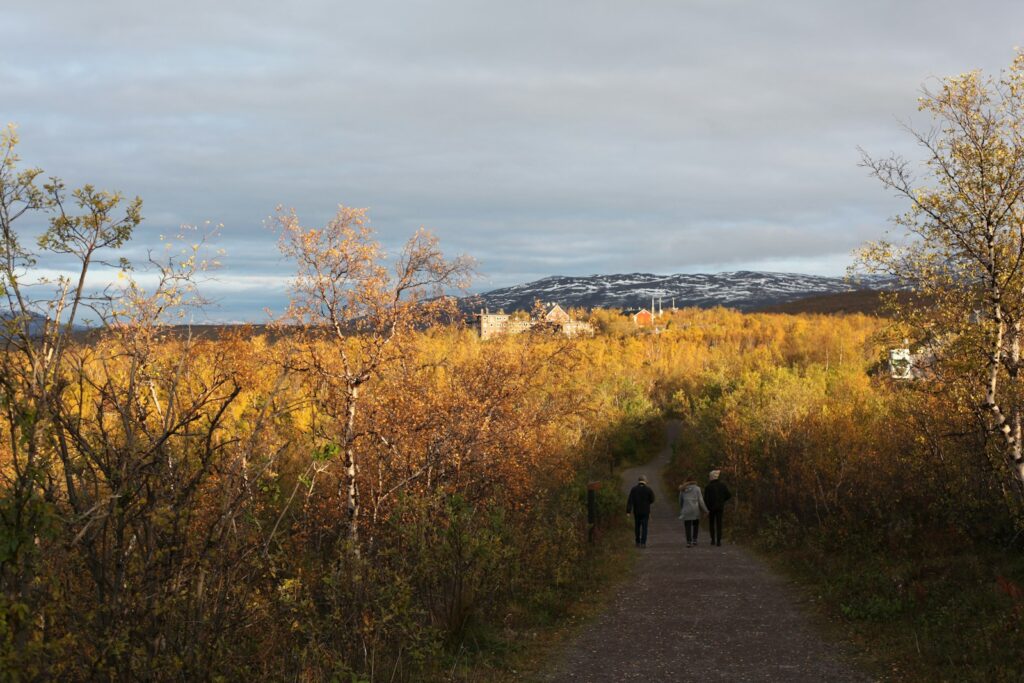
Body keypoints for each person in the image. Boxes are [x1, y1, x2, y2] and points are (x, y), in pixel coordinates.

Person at [703, 469, 732, 547]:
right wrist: (722, 500)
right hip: (720, 507)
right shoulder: (722, 485)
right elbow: (729, 495)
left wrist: (707, 507)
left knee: (711, 524)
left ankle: (713, 540)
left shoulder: (708, 487)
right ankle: (719, 541)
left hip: (711, 508)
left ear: (711, 477)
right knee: (719, 524)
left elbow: (705, 499)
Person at [626, 474, 655, 548]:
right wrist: (647, 503)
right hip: (645, 511)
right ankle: (643, 542)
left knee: (637, 527)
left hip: (637, 511)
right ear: (645, 480)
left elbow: (630, 500)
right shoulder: (648, 489)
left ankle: (637, 541)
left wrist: (628, 511)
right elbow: (652, 499)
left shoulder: (634, 489)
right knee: (644, 527)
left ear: (638, 481)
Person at [677, 480, 708, 547]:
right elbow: (700, 500)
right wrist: (706, 510)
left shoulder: (682, 488)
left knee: (687, 526)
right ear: (694, 481)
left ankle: (688, 542)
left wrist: (682, 508)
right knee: (695, 525)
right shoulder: (697, 488)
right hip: (695, 509)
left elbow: (680, 500)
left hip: (686, 510)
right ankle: (694, 539)